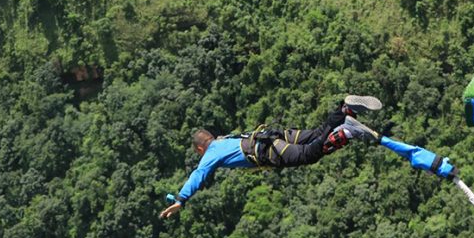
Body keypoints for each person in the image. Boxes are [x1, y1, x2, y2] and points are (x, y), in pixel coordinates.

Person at [159, 95, 382, 219]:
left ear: (200, 149)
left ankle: (346, 132)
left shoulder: (211, 153)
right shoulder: (223, 139)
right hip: (274, 135)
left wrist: (181, 199)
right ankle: (344, 110)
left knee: (308, 154)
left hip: (269, 149)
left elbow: (199, 174)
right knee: (316, 134)